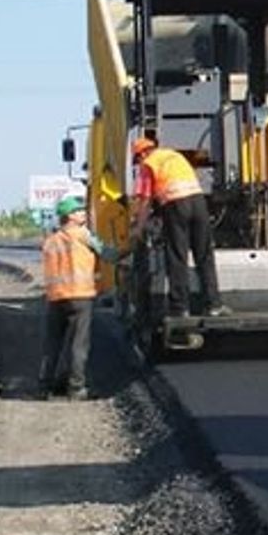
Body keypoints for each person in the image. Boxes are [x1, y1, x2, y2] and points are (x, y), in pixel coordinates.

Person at [131, 137, 230, 318]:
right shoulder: (174, 156)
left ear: (142, 153)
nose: (139, 163)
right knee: (204, 255)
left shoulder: (149, 164)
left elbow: (145, 201)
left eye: (137, 159)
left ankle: (180, 308)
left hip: (176, 205)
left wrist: (138, 227)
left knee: (177, 256)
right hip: (198, 203)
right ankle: (214, 304)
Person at [39, 196, 112, 400]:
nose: (83, 213)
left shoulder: (50, 241)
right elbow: (107, 253)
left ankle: (45, 386)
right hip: (80, 296)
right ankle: (76, 388)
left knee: (52, 344)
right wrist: (131, 248)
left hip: (55, 298)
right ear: (69, 216)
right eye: (79, 211)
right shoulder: (82, 234)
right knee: (78, 345)